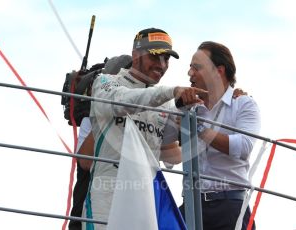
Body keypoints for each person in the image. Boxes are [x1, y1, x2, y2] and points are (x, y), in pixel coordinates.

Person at [81, 28, 206, 230]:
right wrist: (171, 92)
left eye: (166, 59)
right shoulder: (106, 82)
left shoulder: (165, 101)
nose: (162, 65)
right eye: (155, 57)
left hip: (146, 198)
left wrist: (182, 108)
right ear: (135, 55)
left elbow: (167, 148)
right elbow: (124, 102)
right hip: (107, 195)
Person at [179, 41, 261, 230]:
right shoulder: (189, 109)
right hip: (191, 207)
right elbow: (164, 147)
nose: (189, 73)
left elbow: (243, 147)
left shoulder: (244, 104)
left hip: (230, 207)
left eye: (196, 67)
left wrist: (197, 129)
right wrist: (177, 108)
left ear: (219, 71)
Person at [68, 55, 132, 230]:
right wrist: (109, 115)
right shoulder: (92, 115)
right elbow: (86, 162)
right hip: (90, 199)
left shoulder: (143, 113)